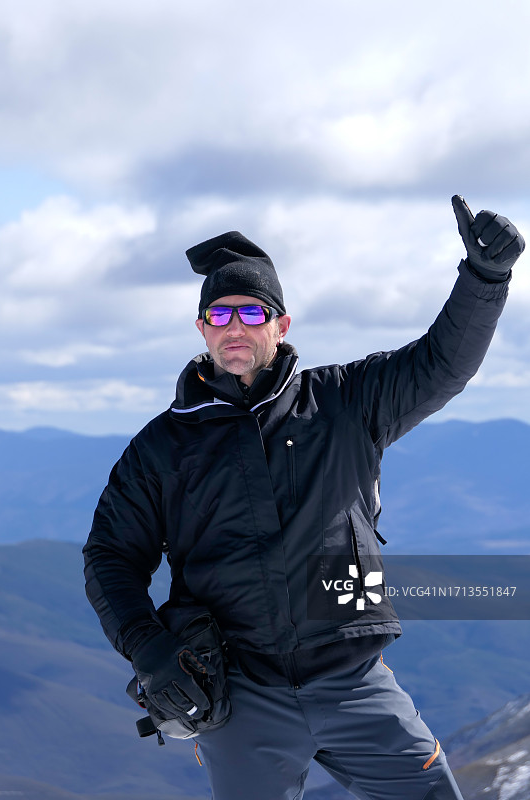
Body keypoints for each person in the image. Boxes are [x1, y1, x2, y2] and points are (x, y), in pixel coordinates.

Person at [83, 196, 525, 800]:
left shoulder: (345, 402)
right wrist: (150, 650)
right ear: (201, 329)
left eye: (250, 311)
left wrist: (484, 277)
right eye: (218, 314)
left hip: (354, 680)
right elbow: (110, 555)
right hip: (242, 692)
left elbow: (440, 364)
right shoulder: (162, 447)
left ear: (281, 325)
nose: (233, 326)